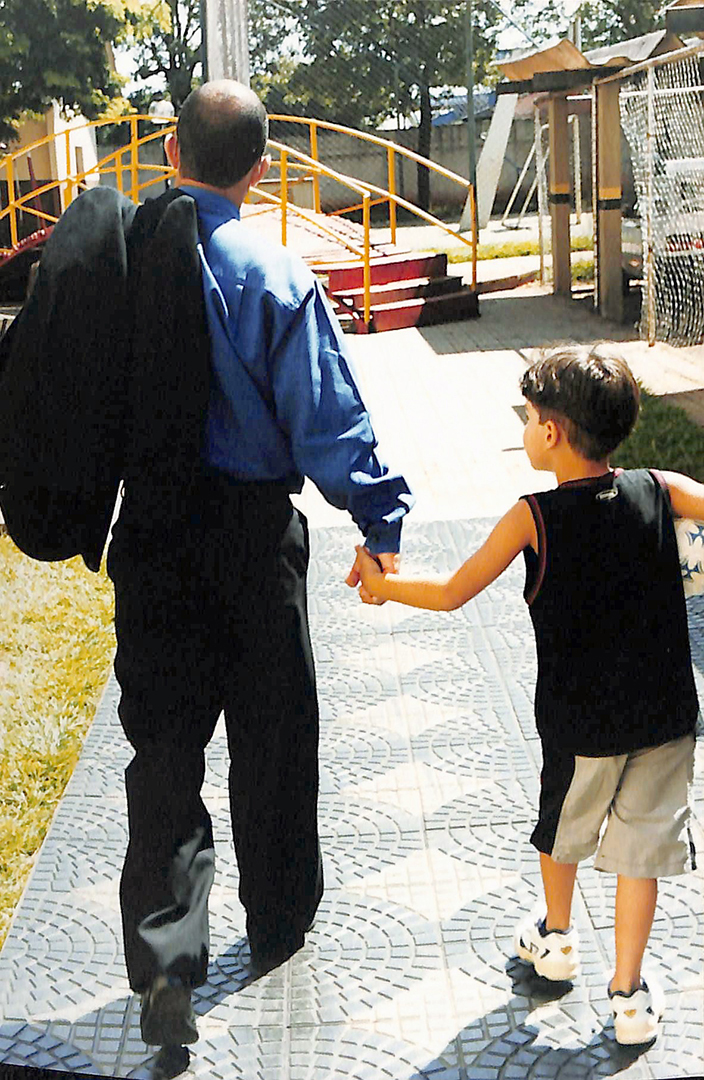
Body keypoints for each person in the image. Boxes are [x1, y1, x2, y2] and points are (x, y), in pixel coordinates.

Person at [107, 79, 413, 1068]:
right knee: (274, 739)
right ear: (262, 169)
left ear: (170, 155)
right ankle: (278, 922)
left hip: (151, 541)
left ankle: (167, 968)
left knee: (164, 756)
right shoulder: (273, 272)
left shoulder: (122, 265)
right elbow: (326, 416)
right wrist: (379, 518)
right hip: (250, 542)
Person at [349, 346, 699, 1047]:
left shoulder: (532, 516)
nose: (525, 426)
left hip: (580, 725)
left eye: (530, 416)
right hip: (665, 716)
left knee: (563, 831)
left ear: (552, 432)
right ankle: (629, 997)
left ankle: (558, 938)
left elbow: (454, 592)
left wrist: (383, 586)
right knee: (642, 855)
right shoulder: (659, 488)